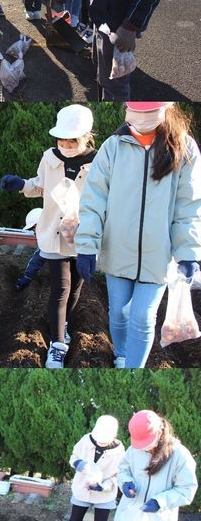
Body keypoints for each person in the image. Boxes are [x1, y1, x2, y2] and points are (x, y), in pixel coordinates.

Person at [75, 102, 201, 368]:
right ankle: (121, 354)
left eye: (149, 112)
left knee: (143, 318)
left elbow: (188, 205)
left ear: (165, 109)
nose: (142, 119)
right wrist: (87, 244)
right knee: (118, 314)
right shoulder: (113, 147)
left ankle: (134, 368)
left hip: (158, 255)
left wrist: (188, 252)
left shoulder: (184, 148)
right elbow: (94, 199)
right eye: (137, 112)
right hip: (118, 248)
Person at [0, 104, 96, 368]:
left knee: (76, 287)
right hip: (54, 233)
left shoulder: (98, 162)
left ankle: (63, 323)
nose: (64, 143)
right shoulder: (49, 157)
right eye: (61, 138)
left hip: (82, 237)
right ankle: (57, 344)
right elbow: (40, 186)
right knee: (60, 288)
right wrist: (22, 185)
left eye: (71, 139)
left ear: (86, 136)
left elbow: (104, 201)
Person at [50, 415, 125, 521]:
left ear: (114, 436)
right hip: (82, 489)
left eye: (104, 440)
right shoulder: (86, 440)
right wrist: (78, 463)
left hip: (104, 494)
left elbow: (118, 476)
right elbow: (74, 457)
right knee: (74, 520)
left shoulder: (119, 450)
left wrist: (102, 486)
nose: (100, 441)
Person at [15, 208, 45, 290]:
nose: (34, 231)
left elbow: (38, 258)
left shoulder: (48, 240)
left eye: (34, 228)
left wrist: (27, 277)